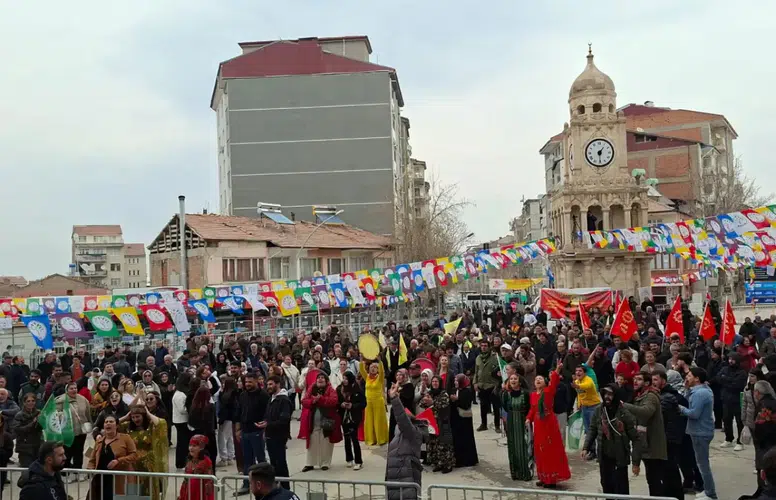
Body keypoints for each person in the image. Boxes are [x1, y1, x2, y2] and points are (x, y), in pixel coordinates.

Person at [582, 384, 640, 496]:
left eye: (611, 394)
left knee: (621, 488)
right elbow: (592, 429)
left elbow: (636, 439)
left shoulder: (624, 413)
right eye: (605, 394)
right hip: (604, 456)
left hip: (620, 457)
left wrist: (636, 462)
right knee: (606, 485)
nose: (607, 397)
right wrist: (586, 447)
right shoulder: (599, 410)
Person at [623, 372, 669, 497]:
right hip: (644, 443)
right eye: (634, 379)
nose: (635, 381)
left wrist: (625, 406)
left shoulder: (651, 397)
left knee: (655, 480)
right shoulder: (639, 396)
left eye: (639, 379)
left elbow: (645, 412)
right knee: (651, 479)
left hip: (653, 444)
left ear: (647, 383)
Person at [525, 363, 570, 488]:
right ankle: (543, 477)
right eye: (536, 379)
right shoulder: (533, 395)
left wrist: (557, 369)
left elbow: (554, 381)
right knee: (540, 450)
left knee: (550, 450)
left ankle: (551, 479)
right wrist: (528, 418)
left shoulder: (549, 391)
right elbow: (532, 409)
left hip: (549, 423)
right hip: (538, 425)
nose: (538, 380)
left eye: (540, 379)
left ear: (545, 382)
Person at [679, 367, 718, 500]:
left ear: (697, 378)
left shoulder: (700, 393)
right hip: (700, 430)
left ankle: (711, 493)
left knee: (703, 464)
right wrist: (686, 389)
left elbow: (694, 413)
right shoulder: (699, 390)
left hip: (700, 432)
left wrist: (680, 408)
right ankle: (707, 490)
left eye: (689, 375)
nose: (686, 378)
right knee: (701, 463)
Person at [119, 402, 168, 500]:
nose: (135, 419)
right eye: (133, 417)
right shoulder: (127, 427)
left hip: (148, 466)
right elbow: (113, 424)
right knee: (133, 492)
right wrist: (125, 417)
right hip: (132, 465)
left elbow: (161, 423)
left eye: (138, 416)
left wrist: (147, 412)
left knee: (148, 491)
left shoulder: (151, 427)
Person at [386, 382, 426, 500]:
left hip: (405, 481)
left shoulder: (413, 433)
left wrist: (394, 399)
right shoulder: (400, 433)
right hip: (395, 480)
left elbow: (402, 419)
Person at [87, 414, 138, 500]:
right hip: (100, 480)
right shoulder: (99, 442)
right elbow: (92, 460)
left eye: (111, 421)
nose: (108, 424)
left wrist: (118, 461)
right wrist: (90, 469)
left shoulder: (125, 438)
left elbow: (134, 455)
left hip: (119, 480)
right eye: (106, 422)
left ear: (117, 425)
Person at [235, 371, 270, 496]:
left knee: (261, 460)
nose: (247, 384)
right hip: (245, 431)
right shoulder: (243, 395)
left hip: (257, 431)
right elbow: (239, 413)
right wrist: (238, 430)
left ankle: (265, 485)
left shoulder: (264, 395)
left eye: (250, 382)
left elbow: (268, 413)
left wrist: (265, 426)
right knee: (247, 460)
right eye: (246, 382)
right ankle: (246, 484)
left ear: (256, 381)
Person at [298, 372, 342, 471]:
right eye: (319, 378)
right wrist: (313, 401)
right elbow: (304, 401)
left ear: (326, 381)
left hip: (327, 419)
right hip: (313, 421)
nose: (320, 379)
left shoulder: (330, 389)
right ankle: (310, 463)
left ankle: (325, 463)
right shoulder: (311, 389)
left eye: (322, 378)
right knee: (312, 442)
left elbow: (334, 401)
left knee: (326, 442)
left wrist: (321, 399)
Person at [56, 381, 91, 482]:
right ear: (67, 390)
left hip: (80, 431)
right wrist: (61, 414)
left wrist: (89, 424)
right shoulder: (60, 400)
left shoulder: (83, 399)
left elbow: (87, 413)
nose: (74, 390)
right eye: (71, 388)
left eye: (75, 388)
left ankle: (77, 472)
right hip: (66, 432)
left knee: (79, 452)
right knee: (67, 453)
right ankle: (65, 473)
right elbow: (54, 414)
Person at [263, 375, 293, 489]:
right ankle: (276, 487)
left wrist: (268, 424)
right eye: (267, 384)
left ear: (278, 384)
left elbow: (284, 419)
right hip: (270, 435)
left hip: (279, 436)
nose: (268, 387)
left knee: (280, 463)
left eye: (271, 384)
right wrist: (265, 422)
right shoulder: (271, 399)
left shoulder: (284, 400)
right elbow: (268, 415)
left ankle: (285, 488)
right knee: (273, 463)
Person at [501, 372, 531, 481]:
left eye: (515, 379)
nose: (513, 381)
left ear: (519, 381)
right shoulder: (505, 394)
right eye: (511, 379)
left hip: (523, 421)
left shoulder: (526, 393)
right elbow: (504, 407)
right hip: (511, 422)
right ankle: (515, 473)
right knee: (513, 446)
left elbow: (529, 407)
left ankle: (525, 473)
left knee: (523, 446)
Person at [421, 375, 454, 473]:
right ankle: (438, 463)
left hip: (442, 421)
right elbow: (422, 404)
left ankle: (447, 464)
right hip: (431, 421)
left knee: (444, 444)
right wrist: (425, 399)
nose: (435, 383)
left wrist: (432, 402)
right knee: (433, 443)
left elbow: (443, 404)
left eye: (436, 381)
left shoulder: (444, 394)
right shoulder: (429, 393)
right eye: (433, 381)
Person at [719, 352, 748, 450]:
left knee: (739, 421)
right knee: (726, 419)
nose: (730, 361)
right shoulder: (724, 369)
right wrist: (729, 380)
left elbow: (737, 385)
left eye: (733, 359)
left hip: (737, 400)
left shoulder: (742, 372)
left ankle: (740, 441)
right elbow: (719, 378)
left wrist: (725, 379)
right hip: (726, 399)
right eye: (729, 359)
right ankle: (728, 439)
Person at [337, 371, 365, 470]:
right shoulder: (339, 389)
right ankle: (349, 459)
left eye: (346, 379)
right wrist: (341, 404)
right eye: (343, 378)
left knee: (354, 438)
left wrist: (353, 406)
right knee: (347, 438)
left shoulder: (357, 389)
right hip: (344, 416)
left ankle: (358, 461)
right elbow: (336, 401)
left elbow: (363, 403)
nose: (344, 381)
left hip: (354, 417)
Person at [450, 373, 478, 468]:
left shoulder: (467, 391)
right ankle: (458, 459)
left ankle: (468, 460)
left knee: (466, 438)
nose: (455, 382)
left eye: (457, 381)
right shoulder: (454, 390)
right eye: (455, 381)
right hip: (456, 418)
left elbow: (466, 404)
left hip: (465, 419)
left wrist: (457, 400)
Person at [359, 358, 389, 445]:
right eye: (371, 367)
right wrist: (361, 360)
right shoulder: (367, 377)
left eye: (375, 367)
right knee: (369, 421)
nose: (373, 369)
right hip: (368, 402)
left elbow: (382, 372)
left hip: (378, 402)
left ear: (377, 369)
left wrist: (380, 361)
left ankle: (381, 439)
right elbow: (361, 370)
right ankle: (371, 439)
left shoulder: (380, 378)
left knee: (378, 420)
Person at [474, 339, 501, 432]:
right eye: (482, 346)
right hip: (482, 385)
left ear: (489, 347)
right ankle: (483, 424)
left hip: (492, 386)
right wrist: (475, 382)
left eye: (485, 346)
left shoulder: (494, 357)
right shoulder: (478, 358)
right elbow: (476, 372)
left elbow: (499, 371)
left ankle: (497, 426)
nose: (484, 347)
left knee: (496, 407)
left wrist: (497, 384)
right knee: (483, 406)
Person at [753, 380, 776, 489]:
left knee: (764, 470)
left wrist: (757, 440)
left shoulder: (763, 406)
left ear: (758, 392)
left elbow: (760, 427)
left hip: (766, 444)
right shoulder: (774, 402)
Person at [178, 435, 215, 500]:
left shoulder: (206, 461)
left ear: (201, 447)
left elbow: (209, 482)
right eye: (190, 445)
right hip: (189, 492)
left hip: (200, 494)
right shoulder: (189, 460)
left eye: (194, 446)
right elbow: (185, 480)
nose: (191, 448)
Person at [189, 385, 218, 464]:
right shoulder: (210, 407)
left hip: (197, 435)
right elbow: (212, 422)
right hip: (209, 436)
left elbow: (191, 422)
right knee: (211, 457)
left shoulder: (193, 407)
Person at [13, 393, 42, 467]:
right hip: (24, 448)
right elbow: (18, 430)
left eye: (33, 401)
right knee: (26, 471)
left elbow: (42, 428)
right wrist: (33, 423)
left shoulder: (39, 413)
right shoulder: (19, 415)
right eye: (28, 401)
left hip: (37, 446)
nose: (31, 403)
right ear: (24, 402)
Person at [217, 376, 239, 467]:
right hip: (232, 419)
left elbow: (223, 409)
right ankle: (230, 456)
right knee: (230, 438)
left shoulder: (225, 395)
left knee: (222, 438)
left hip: (225, 418)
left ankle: (224, 458)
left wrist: (220, 419)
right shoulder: (235, 394)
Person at [172, 372, 193, 470]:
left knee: (183, 442)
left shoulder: (182, 392)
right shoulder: (179, 395)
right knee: (182, 443)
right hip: (181, 421)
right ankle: (181, 463)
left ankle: (183, 462)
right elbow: (182, 410)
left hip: (182, 421)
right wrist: (191, 410)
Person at [389, 368, 416, 442]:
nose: (398, 377)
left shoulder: (409, 386)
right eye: (397, 375)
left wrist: (397, 392)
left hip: (405, 413)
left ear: (405, 376)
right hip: (395, 412)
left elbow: (407, 399)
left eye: (401, 375)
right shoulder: (395, 386)